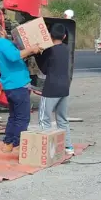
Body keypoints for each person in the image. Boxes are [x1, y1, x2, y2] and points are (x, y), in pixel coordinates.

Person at [0, 24, 42, 153]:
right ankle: (18, 144)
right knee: (23, 117)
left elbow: (14, 57)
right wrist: (31, 49)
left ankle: (8, 143)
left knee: (14, 116)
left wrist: (26, 53)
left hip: (10, 85)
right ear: (1, 31)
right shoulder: (3, 43)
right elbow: (14, 56)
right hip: (18, 84)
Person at [35, 24, 73, 154]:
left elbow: (44, 70)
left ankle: (47, 149)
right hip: (65, 88)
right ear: (64, 36)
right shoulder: (66, 49)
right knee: (62, 119)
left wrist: (37, 54)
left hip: (51, 88)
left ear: (50, 35)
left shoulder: (49, 50)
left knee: (44, 118)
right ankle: (68, 147)